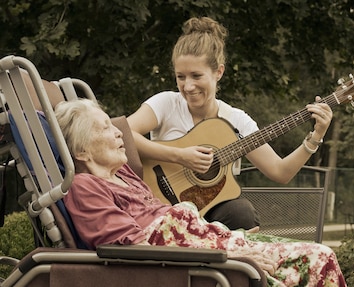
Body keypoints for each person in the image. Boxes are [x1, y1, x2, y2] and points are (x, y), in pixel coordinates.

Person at [55, 98, 346, 286]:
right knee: (316, 261)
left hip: (205, 244)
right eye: (105, 128)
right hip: (194, 263)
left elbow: (280, 171)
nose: (119, 133)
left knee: (320, 254)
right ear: (81, 150)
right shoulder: (85, 185)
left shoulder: (124, 175)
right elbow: (130, 249)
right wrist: (233, 259)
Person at [127, 16, 333, 230]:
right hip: (161, 206)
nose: (188, 86)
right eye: (181, 77)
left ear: (219, 72)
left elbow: (280, 172)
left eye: (196, 76)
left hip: (211, 214)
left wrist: (316, 136)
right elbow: (121, 133)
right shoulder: (166, 104)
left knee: (242, 214)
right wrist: (180, 156)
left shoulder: (236, 120)